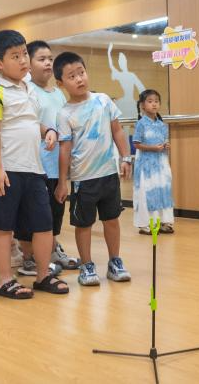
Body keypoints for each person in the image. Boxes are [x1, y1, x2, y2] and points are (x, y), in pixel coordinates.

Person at [0, 30, 67, 299]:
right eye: (15, 56)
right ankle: (5, 280)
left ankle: (43, 275)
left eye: (24, 54)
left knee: (43, 225)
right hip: (5, 170)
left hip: (34, 169)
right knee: (3, 226)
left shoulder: (30, 89)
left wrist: (48, 131)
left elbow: (31, 122)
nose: (23, 60)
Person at [54, 52, 133, 287]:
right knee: (83, 224)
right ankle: (87, 265)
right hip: (83, 178)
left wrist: (126, 158)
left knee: (112, 219)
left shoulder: (103, 100)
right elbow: (65, 149)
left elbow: (118, 131)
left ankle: (115, 261)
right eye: (71, 76)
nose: (79, 79)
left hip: (108, 174)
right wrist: (62, 182)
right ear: (60, 83)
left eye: (81, 72)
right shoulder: (64, 113)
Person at [17, 40, 80, 274]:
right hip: (34, 165)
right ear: (29, 63)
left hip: (56, 166)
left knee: (54, 212)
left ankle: (52, 251)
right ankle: (28, 258)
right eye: (41, 59)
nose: (48, 63)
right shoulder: (27, 91)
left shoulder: (59, 94)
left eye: (50, 59)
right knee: (32, 214)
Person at [132, 88, 174, 234]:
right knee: (147, 192)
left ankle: (163, 221)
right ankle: (145, 224)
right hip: (146, 164)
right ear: (142, 105)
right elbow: (136, 144)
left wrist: (166, 146)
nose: (154, 104)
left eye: (156, 101)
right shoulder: (141, 124)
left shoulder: (162, 125)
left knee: (163, 190)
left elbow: (164, 141)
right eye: (150, 101)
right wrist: (152, 148)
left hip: (161, 163)